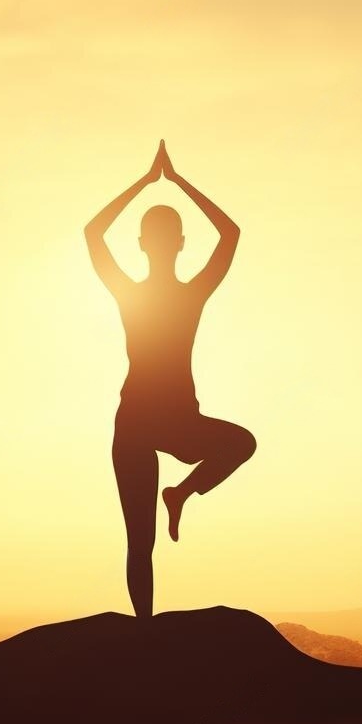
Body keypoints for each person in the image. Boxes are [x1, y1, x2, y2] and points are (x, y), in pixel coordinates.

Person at [86, 141, 257, 619]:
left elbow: (93, 233)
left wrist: (152, 182)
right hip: (149, 422)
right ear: (177, 243)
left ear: (148, 244)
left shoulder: (148, 293)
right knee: (140, 539)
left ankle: (179, 493)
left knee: (239, 444)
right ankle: (145, 632)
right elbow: (230, 233)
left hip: (165, 419)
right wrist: (170, 182)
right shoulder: (179, 294)